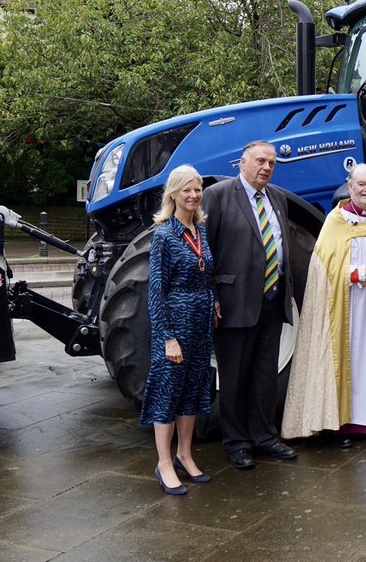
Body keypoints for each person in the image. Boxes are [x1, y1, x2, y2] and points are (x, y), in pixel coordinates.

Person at [282, 164, 366, 445]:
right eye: (361, 184)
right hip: (346, 307)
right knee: (346, 359)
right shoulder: (336, 221)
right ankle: (341, 423)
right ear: (350, 187)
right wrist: (355, 274)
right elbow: (322, 267)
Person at [202, 141, 298, 467]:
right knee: (235, 379)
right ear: (242, 162)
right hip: (234, 303)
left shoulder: (279, 198)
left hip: (271, 301)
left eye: (272, 163)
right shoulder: (218, 196)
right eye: (260, 161)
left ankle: (265, 436)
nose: (267, 167)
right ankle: (237, 443)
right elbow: (206, 251)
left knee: (264, 377)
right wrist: (212, 296)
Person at [142, 165, 214, 496]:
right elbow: (156, 290)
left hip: (200, 325)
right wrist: (167, 337)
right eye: (186, 189)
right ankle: (164, 462)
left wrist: (213, 301)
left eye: (197, 188)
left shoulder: (200, 230)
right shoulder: (164, 235)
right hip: (175, 326)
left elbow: (205, 273)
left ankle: (185, 454)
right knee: (167, 394)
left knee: (193, 391)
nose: (193, 194)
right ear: (173, 194)